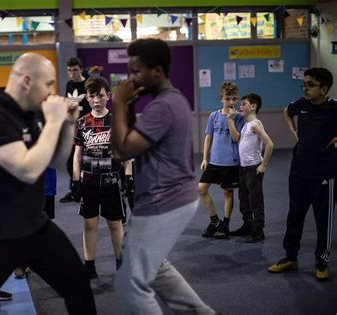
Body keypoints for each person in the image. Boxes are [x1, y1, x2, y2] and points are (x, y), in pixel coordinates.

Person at [0, 53, 96, 314]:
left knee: (78, 285)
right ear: (27, 81)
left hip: (34, 226)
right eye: (47, 84)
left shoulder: (32, 114)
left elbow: (55, 161)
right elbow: (27, 168)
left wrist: (68, 123)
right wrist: (55, 121)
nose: (51, 91)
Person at [111, 38, 215, 315]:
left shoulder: (163, 106)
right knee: (155, 268)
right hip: (172, 197)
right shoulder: (170, 101)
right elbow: (133, 138)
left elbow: (121, 150)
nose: (130, 78)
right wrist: (130, 106)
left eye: (136, 71)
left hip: (163, 200)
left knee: (131, 284)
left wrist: (119, 103)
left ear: (156, 71)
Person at [268, 67, 337, 280]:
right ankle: (290, 257)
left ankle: (321, 262)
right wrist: (294, 131)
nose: (305, 88)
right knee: (294, 216)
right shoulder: (301, 104)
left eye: (310, 85)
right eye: (304, 84)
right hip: (298, 171)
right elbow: (287, 111)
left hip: (324, 173)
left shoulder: (334, 107)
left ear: (323, 88)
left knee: (322, 219)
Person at [72, 76, 126, 279]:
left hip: (112, 181)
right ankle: (89, 265)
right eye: (92, 95)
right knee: (89, 224)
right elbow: (77, 155)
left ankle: (121, 265)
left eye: (100, 95)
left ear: (108, 96)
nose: (96, 100)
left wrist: (129, 178)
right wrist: (75, 181)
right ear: (86, 97)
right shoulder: (81, 122)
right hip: (89, 182)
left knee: (115, 224)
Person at [199, 81, 245, 239]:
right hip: (214, 161)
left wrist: (231, 120)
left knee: (227, 192)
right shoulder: (214, 116)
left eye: (234, 99)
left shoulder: (239, 117)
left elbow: (236, 137)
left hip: (230, 162)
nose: (231, 102)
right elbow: (208, 137)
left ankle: (225, 224)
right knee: (201, 188)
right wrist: (205, 158)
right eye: (228, 98)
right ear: (222, 99)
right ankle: (214, 221)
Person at [231, 93, 274, 243]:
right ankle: (248, 226)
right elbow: (237, 139)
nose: (240, 107)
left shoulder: (255, 124)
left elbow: (270, 144)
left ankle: (258, 231)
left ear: (253, 107)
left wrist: (263, 164)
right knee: (244, 200)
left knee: (255, 201)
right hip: (243, 168)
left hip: (253, 168)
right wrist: (230, 120)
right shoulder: (246, 125)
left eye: (243, 104)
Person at [60, 57, 91, 203]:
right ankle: (74, 191)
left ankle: (83, 191)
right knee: (70, 162)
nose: (72, 73)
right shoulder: (69, 85)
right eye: (69, 70)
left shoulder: (89, 84)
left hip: (89, 129)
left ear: (81, 69)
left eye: (75, 70)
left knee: (86, 162)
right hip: (73, 129)